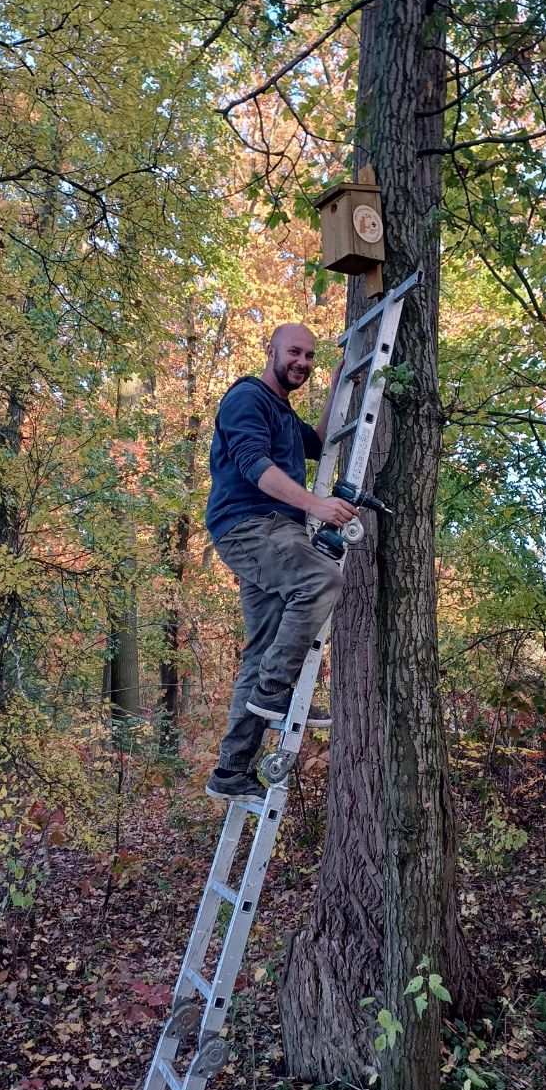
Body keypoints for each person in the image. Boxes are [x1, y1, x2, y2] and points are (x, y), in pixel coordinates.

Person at [204, 323, 359, 803]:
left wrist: (338, 387)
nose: (303, 363)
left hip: (272, 533)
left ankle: (231, 770)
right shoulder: (247, 398)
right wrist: (314, 505)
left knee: (262, 649)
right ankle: (278, 691)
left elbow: (319, 440)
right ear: (269, 351)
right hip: (252, 527)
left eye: (310, 357)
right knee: (321, 578)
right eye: (295, 352)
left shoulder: (283, 413)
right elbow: (253, 464)